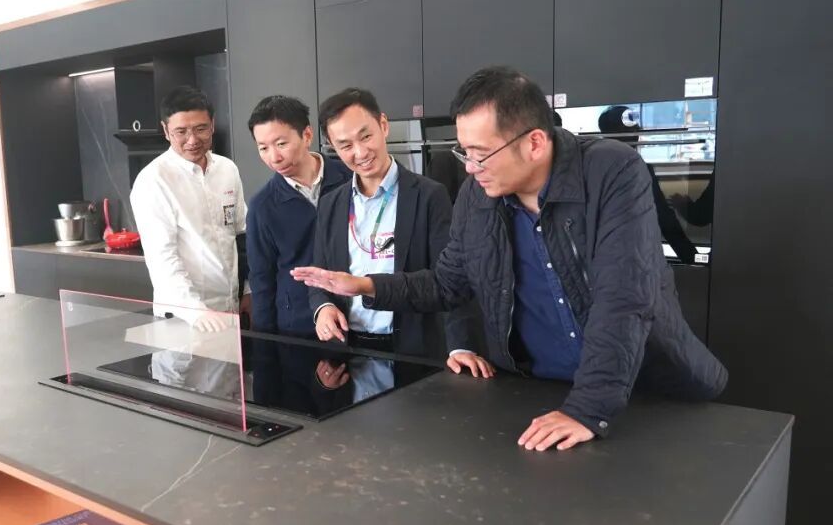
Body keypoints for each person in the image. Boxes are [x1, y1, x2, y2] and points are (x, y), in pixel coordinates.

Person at [294, 67, 727, 451]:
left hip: (636, 392)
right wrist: (366, 286)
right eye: (464, 152)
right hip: (533, 393)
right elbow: (448, 283)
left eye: (480, 153)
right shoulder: (477, 195)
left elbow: (624, 297)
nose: (470, 167)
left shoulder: (611, 171)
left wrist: (588, 408)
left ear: (534, 143)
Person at [308, 87, 492, 375]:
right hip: (349, 350)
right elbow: (321, 277)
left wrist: (461, 346)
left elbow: (452, 280)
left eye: (365, 136)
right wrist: (323, 309)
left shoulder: (429, 195)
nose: (360, 153)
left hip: (413, 349)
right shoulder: (331, 204)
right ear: (332, 146)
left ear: (383, 125)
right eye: (345, 145)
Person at [129, 86, 249, 331]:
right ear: (166, 131)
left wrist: (249, 290)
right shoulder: (153, 180)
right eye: (181, 132)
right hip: (184, 316)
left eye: (200, 129)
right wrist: (197, 312)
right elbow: (163, 258)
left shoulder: (227, 169)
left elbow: (241, 235)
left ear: (212, 125)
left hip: (230, 306)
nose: (192, 140)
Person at [245, 95, 352, 337]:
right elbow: (262, 281)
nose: (274, 157)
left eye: (281, 144)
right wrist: (265, 345)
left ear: (307, 135)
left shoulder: (350, 179)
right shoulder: (262, 206)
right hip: (299, 329)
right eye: (263, 148)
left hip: (358, 318)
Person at [597, 105, 698, 263]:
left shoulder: (591, 168)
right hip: (631, 258)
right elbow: (664, 218)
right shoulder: (638, 169)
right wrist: (693, 258)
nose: (638, 131)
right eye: (633, 127)